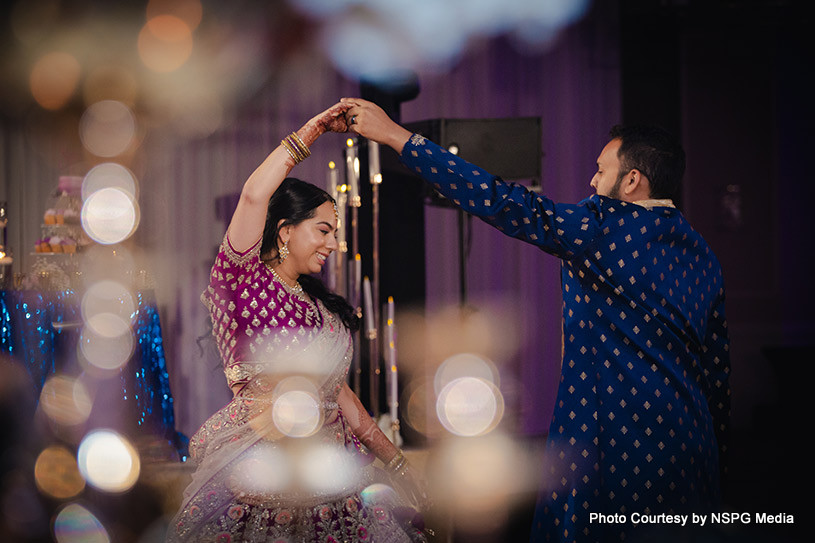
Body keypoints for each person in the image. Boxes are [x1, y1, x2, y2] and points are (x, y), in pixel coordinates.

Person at [341, 98, 730, 542]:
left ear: (632, 181)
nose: (591, 180)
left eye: (601, 171)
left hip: (621, 444)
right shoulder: (703, 255)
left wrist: (396, 136)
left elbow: (503, 201)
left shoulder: (602, 225)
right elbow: (718, 372)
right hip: (692, 440)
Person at [168, 103, 427, 543]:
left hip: (334, 478)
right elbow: (254, 195)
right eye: (324, 230)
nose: (334, 242)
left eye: (336, 232)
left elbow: (341, 397)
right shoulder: (241, 280)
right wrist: (311, 132)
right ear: (286, 230)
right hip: (262, 475)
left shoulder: (318, 305)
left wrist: (398, 463)